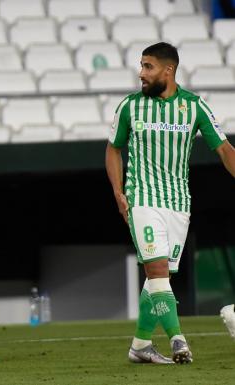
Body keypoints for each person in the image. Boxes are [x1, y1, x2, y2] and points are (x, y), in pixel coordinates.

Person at [105, 42, 235, 365]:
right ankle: (179, 340)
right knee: (158, 269)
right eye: (141, 66)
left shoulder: (195, 107)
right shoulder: (130, 107)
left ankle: (140, 346)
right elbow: (113, 149)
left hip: (178, 203)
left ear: (168, 70)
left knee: (158, 279)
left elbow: (224, 150)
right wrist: (119, 192)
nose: (141, 73)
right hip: (142, 199)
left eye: (148, 67)